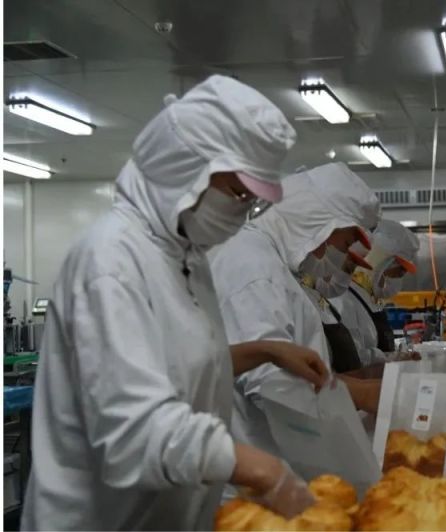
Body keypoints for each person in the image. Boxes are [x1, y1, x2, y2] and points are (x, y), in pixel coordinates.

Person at [21, 76, 330, 531]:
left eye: (251, 200)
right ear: (185, 167)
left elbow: (171, 367)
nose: (242, 211)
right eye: (238, 193)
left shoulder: (185, 258)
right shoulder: (110, 261)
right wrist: (262, 469)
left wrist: (266, 350)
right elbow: (133, 428)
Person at [210, 162, 383, 480]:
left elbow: (289, 364)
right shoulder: (253, 266)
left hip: (272, 465)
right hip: (253, 475)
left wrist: (356, 388)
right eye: (344, 243)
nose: (342, 255)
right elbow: (271, 384)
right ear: (319, 222)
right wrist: (362, 395)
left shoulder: (269, 262)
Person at [331, 219, 419, 366]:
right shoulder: (345, 297)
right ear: (383, 264)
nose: (400, 275)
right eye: (400, 268)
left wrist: (395, 355)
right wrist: (391, 358)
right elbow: (354, 356)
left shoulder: (369, 298)